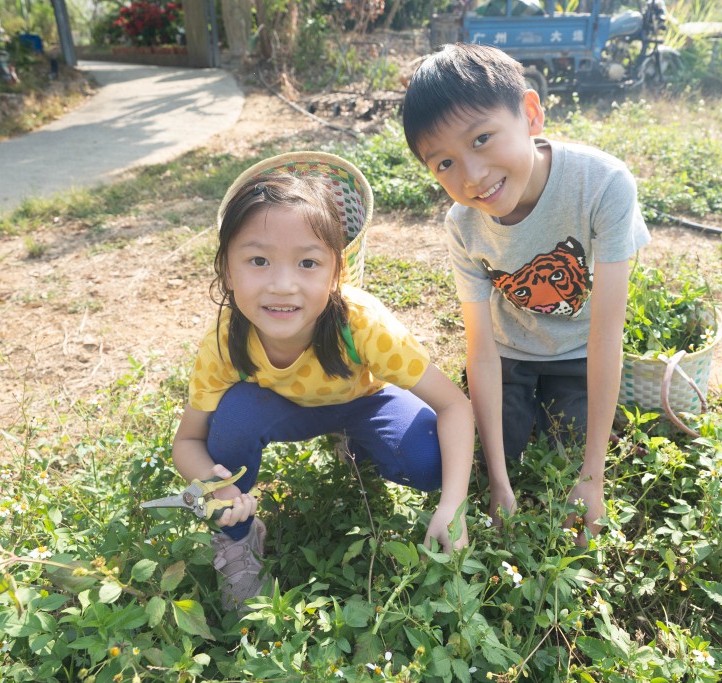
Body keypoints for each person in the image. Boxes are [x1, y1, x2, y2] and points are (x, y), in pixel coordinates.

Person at [171, 155, 474, 612]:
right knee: (235, 413)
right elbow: (188, 441)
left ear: (336, 272)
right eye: (258, 260)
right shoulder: (225, 340)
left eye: (308, 263)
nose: (283, 285)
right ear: (227, 270)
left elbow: (454, 405)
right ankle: (238, 536)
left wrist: (453, 505)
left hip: (362, 402)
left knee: (429, 462)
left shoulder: (363, 324)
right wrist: (217, 490)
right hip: (281, 409)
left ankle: (356, 445)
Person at [401, 43, 650, 544]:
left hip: (579, 353)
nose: (472, 177)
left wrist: (593, 477)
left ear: (531, 113)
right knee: (497, 450)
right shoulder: (463, 224)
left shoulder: (603, 184)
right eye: (444, 163)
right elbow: (481, 351)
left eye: (482, 139)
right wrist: (498, 481)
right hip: (509, 354)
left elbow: (607, 337)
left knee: (570, 452)